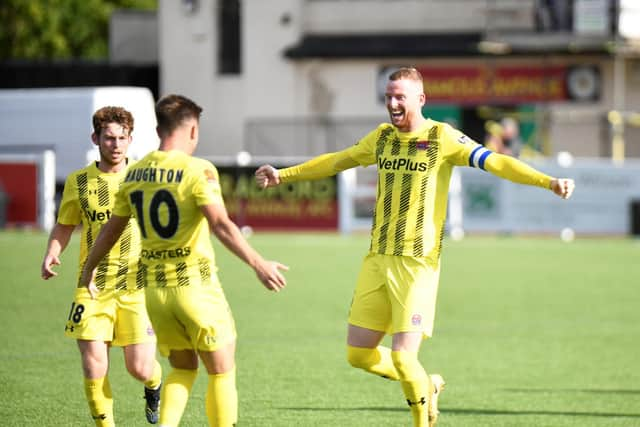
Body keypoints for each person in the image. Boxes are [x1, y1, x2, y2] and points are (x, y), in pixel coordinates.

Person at [255, 67, 575, 427]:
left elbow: (496, 161)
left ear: (420, 100)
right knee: (358, 354)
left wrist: (547, 181)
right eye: (388, 96)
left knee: (405, 358)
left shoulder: (443, 137)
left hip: (417, 264)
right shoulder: (381, 138)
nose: (392, 103)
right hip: (377, 259)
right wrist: (284, 175)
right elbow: (337, 161)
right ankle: (427, 385)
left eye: (399, 97)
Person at [78, 94, 288, 427]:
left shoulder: (135, 174)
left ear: (158, 129)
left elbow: (109, 231)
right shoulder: (198, 169)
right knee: (221, 370)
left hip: (156, 295)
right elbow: (220, 224)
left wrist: (88, 269)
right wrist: (259, 263)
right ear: (192, 131)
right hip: (196, 288)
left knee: (182, 368)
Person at [41, 106, 163, 426]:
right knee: (94, 366)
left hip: (137, 286)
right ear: (95, 138)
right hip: (91, 286)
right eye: (109, 138)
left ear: (131, 139)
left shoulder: (142, 178)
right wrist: (53, 250)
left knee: (139, 368)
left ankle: (154, 385)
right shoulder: (78, 182)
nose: (116, 144)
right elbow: (65, 225)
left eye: (122, 138)